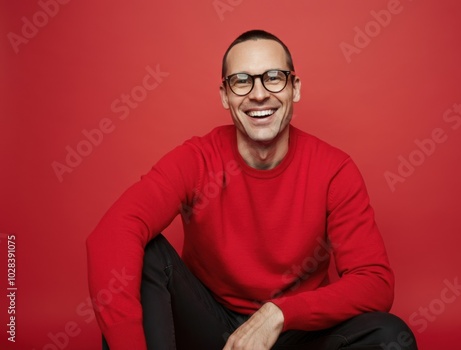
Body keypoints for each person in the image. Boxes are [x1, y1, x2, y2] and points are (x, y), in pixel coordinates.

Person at [87, 29, 417, 350]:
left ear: (295, 88)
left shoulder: (335, 169)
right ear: (225, 95)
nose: (258, 94)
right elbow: (112, 234)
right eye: (242, 81)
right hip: (209, 330)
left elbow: (375, 283)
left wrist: (281, 313)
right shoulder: (197, 159)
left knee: (390, 337)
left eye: (273, 77)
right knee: (143, 252)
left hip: (297, 332)